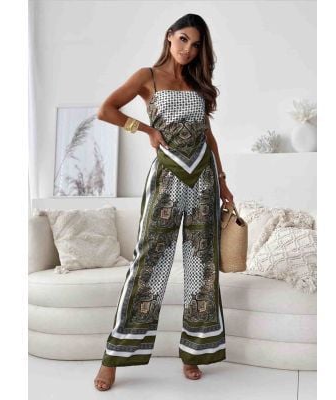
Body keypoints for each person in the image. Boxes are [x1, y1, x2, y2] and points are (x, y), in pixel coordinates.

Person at [94, 13, 234, 391]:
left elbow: (208, 136)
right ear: (170, 37)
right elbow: (106, 110)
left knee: (201, 266)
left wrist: (223, 182)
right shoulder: (148, 77)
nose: (188, 49)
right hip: (167, 180)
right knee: (148, 263)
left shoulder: (197, 83)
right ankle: (114, 357)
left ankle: (194, 352)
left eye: (196, 45)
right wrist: (145, 130)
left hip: (204, 180)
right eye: (183, 39)